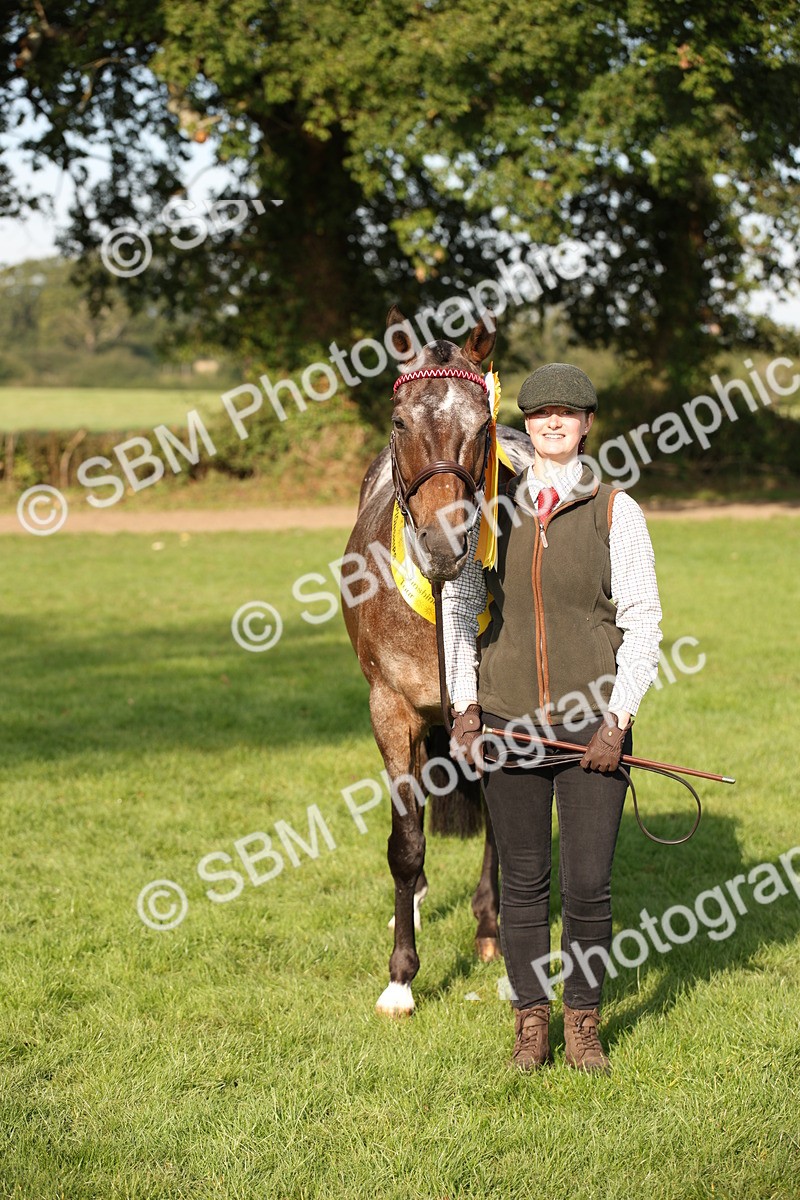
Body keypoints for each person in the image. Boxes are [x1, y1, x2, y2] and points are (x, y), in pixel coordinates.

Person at [443, 362, 663, 1075]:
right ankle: (530, 1024)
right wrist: (465, 708)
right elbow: (458, 609)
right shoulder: (490, 510)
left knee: (590, 885)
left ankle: (583, 1023)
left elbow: (643, 620)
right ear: (526, 426)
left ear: (588, 424)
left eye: (568, 414)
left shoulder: (614, 509)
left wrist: (616, 722)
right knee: (524, 885)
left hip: (591, 731)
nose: (554, 423)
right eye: (542, 415)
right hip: (508, 724)